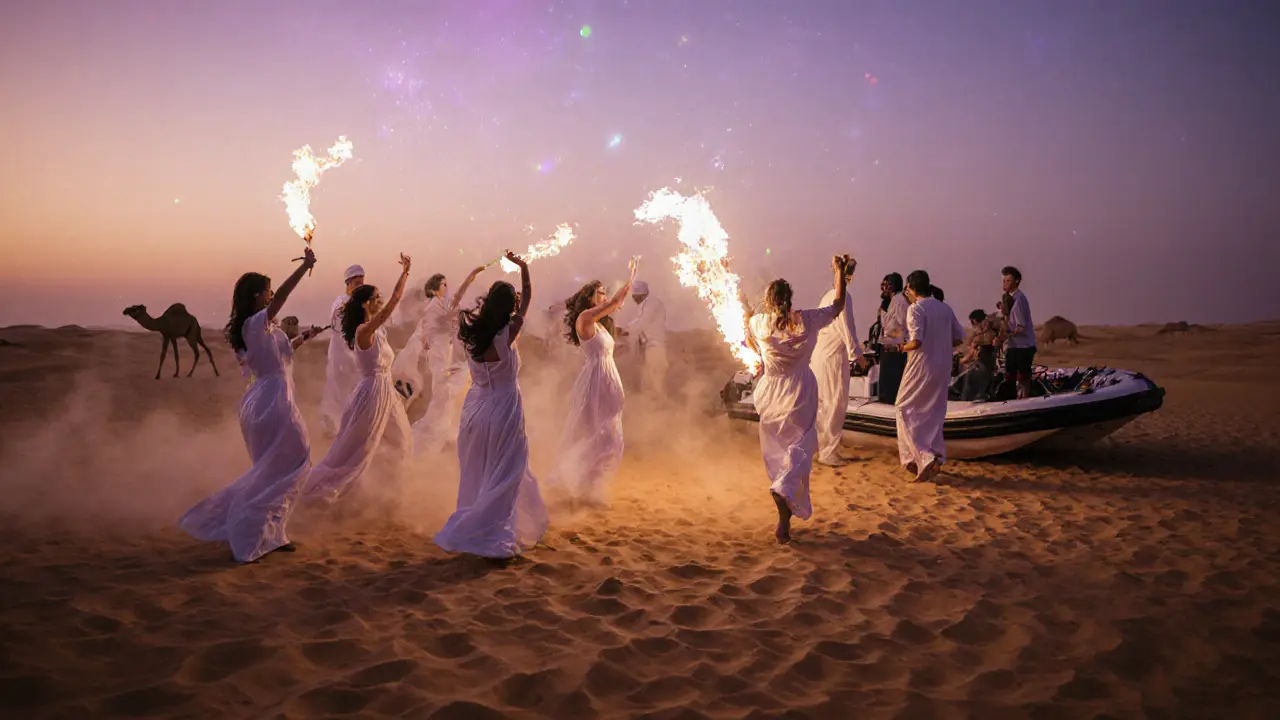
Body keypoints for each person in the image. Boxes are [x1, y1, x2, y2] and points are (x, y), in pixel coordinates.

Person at [179, 247, 317, 563]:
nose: (271, 297)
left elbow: (277, 358)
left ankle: (272, 534)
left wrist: (302, 338)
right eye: (267, 292)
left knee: (278, 468)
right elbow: (282, 297)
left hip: (265, 399)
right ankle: (250, 529)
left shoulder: (258, 328)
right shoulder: (254, 323)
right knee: (297, 462)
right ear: (257, 296)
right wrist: (304, 267)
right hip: (272, 401)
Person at [435, 251, 548, 558]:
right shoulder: (506, 335)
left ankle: (482, 522)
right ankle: (493, 530)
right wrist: (524, 267)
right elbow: (527, 304)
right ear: (508, 307)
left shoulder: (472, 336)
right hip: (503, 407)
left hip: (475, 410)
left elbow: (518, 305)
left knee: (483, 469)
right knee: (508, 468)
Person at [744, 255, 852, 544]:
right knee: (801, 446)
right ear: (789, 298)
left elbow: (745, 321)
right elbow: (838, 305)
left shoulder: (759, 323)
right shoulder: (806, 319)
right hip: (800, 391)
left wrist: (736, 291)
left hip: (770, 392)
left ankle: (783, 509)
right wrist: (839, 273)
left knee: (779, 453)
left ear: (768, 301)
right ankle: (784, 498)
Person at [305, 254, 415, 501]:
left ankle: (395, 493)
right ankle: (318, 493)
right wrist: (405, 272)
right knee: (355, 451)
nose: (380, 300)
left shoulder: (375, 328)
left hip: (386, 391)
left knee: (402, 439)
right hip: (371, 392)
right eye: (375, 298)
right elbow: (393, 302)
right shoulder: (363, 329)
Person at [549, 259, 638, 507]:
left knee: (607, 433)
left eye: (604, 292)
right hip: (596, 379)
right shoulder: (586, 317)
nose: (604, 296)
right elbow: (617, 303)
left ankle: (593, 487)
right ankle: (585, 487)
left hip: (605, 376)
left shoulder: (599, 324)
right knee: (596, 432)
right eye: (600, 292)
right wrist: (631, 277)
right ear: (589, 297)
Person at [896, 270, 966, 483]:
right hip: (942, 366)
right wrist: (941, 346)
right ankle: (932, 457)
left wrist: (901, 348)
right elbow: (959, 337)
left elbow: (916, 341)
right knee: (933, 412)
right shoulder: (945, 308)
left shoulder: (915, 309)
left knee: (903, 407)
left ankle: (921, 457)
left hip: (921, 366)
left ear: (912, 288)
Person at [410, 266, 485, 454]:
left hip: (442, 350)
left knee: (445, 390)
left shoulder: (438, 304)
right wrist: (470, 277)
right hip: (439, 352)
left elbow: (453, 317)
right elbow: (457, 302)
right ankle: (437, 432)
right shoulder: (436, 303)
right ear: (435, 288)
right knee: (445, 390)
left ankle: (445, 429)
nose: (446, 287)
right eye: (443, 284)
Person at [809, 257, 868, 466]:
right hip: (833, 358)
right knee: (835, 404)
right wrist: (858, 357)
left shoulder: (826, 296)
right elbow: (847, 328)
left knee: (822, 404)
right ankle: (829, 453)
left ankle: (818, 448)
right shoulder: (842, 297)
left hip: (819, 357)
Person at [320, 265, 366, 436]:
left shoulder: (361, 304)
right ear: (348, 283)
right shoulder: (340, 303)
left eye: (362, 282)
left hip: (355, 359)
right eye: (356, 283)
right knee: (338, 395)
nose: (360, 286)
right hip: (340, 358)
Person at [627, 280, 669, 397]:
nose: (634, 299)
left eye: (636, 296)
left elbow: (642, 322)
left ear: (643, 294)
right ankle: (651, 405)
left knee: (656, 377)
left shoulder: (651, 304)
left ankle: (661, 404)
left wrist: (625, 330)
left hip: (656, 346)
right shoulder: (645, 304)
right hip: (649, 346)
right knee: (648, 377)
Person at [1001, 266, 1037, 399]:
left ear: (1016, 281)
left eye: (1008, 281)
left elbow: (1020, 327)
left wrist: (1007, 335)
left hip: (1024, 345)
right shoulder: (1007, 298)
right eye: (1004, 280)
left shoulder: (1019, 299)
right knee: (1009, 375)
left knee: (1023, 376)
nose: (1004, 284)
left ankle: (1026, 401)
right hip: (1013, 345)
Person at [951, 309, 1000, 401]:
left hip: (980, 369)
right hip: (986, 370)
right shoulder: (991, 334)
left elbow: (969, 356)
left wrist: (958, 360)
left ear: (974, 321)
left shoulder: (981, 338)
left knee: (965, 385)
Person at [875, 272, 909, 404]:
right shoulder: (889, 303)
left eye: (884, 285)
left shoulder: (899, 301)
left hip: (895, 351)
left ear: (891, 285)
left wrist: (895, 339)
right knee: (886, 389)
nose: (881, 288)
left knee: (892, 390)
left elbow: (904, 324)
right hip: (888, 350)